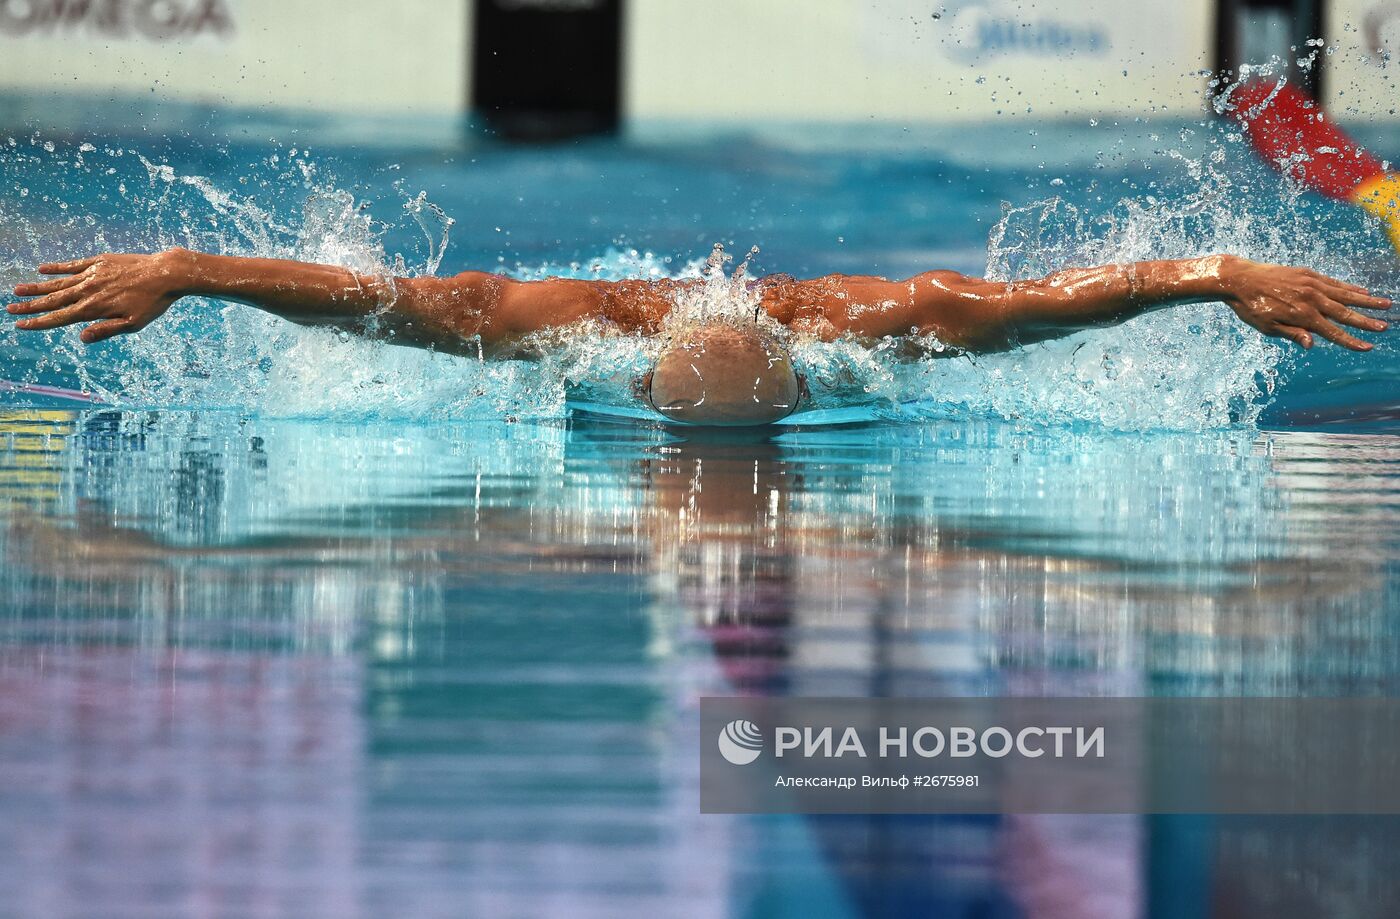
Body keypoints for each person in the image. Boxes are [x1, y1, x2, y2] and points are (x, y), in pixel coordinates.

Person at [7, 247, 1391, 425]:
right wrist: (183, 271)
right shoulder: (570, 326)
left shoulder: (888, 326)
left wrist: (1220, 277)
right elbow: (381, 301)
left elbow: (1055, 303)